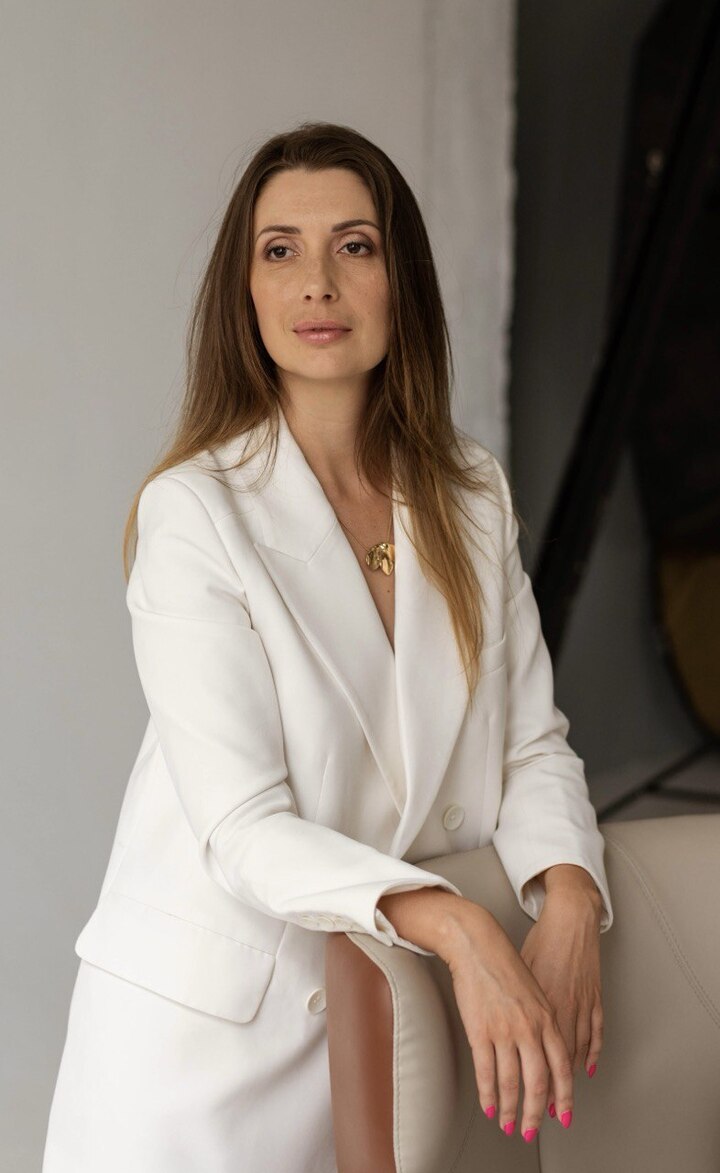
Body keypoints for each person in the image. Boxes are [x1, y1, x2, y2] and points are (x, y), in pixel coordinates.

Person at [42, 120, 613, 1172]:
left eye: (355, 245)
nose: (317, 282)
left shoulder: (470, 497)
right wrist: (461, 927)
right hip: (198, 1054)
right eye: (280, 250)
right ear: (247, 294)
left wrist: (570, 893)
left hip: (381, 1028)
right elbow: (244, 824)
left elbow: (531, 744)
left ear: (403, 282)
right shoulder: (194, 513)